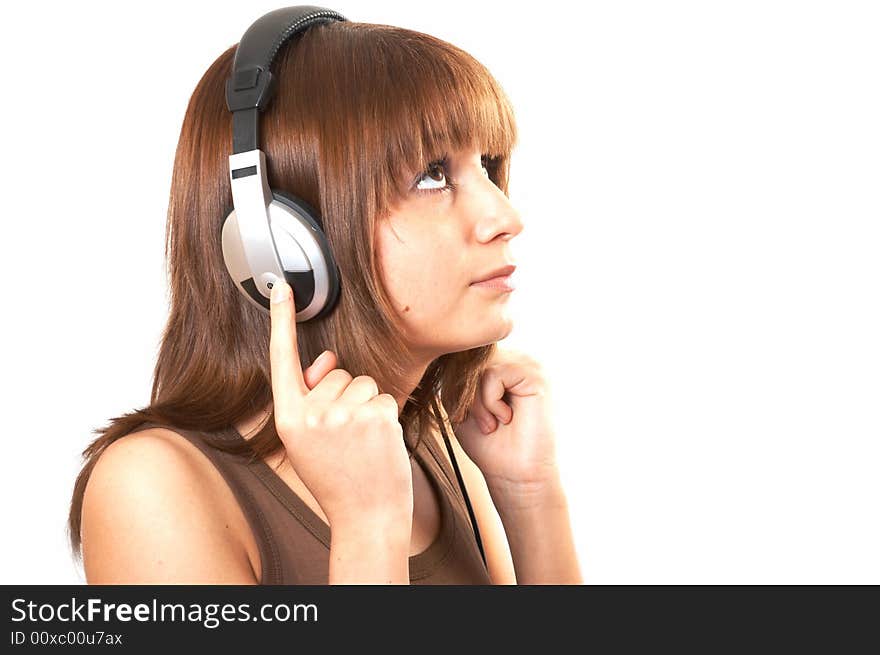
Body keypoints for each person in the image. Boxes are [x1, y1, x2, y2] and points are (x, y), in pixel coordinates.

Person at [67, 11, 582, 585]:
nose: (505, 217)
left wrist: (529, 493)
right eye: (432, 174)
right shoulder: (153, 487)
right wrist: (367, 528)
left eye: (487, 166)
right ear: (276, 241)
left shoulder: (439, 448)